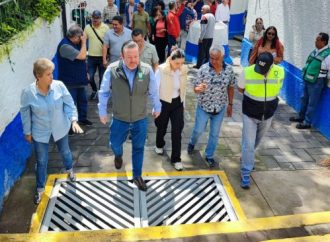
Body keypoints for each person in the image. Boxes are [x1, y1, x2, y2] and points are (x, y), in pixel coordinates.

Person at [98, 41, 161, 191]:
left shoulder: (146, 70)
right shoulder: (112, 70)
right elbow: (104, 92)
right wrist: (102, 111)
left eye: (136, 57)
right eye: (129, 57)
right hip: (120, 118)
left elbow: (153, 91)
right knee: (115, 144)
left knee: (138, 148)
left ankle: (137, 175)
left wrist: (157, 106)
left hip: (140, 118)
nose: (133, 60)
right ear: (122, 56)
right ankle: (118, 155)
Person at [20, 58, 84, 204]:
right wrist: (27, 131)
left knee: (65, 152)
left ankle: (70, 171)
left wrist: (73, 120)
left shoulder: (59, 86)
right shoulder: (28, 93)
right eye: (48, 74)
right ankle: (40, 189)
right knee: (41, 161)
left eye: (52, 73)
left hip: (60, 127)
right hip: (40, 131)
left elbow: (69, 104)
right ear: (38, 76)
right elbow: (25, 112)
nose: (52, 76)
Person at [238, 52, 285, 189]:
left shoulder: (280, 72)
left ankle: (247, 157)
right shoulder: (247, 72)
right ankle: (246, 172)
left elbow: (278, 89)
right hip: (250, 114)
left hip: (268, 114)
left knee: (255, 143)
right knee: (248, 143)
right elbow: (240, 89)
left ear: (271, 66)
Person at [187, 46, 236, 168]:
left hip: (219, 108)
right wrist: (197, 89)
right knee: (198, 130)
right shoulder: (203, 69)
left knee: (214, 134)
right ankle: (192, 143)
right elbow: (195, 88)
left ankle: (209, 156)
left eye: (216, 58)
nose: (213, 61)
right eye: (211, 58)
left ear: (223, 57)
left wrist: (230, 104)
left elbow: (231, 86)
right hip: (204, 107)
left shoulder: (229, 70)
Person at [154, 49, 187, 171]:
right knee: (161, 126)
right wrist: (155, 107)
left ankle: (176, 159)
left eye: (182, 63)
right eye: (177, 63)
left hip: (177, 103)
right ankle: (159, 144)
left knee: (177, 131)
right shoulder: (162, 70)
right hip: (163, 102)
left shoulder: (183, 70)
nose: (179, 66)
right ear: (171, 60)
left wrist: (183, 105)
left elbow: (183, 89)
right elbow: (155, 89)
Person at [289, 33, 330, 129]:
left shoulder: (328, 55)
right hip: (307, 80)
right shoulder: (316, 51)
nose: (315, 41)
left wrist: (323, 79)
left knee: (312, 103)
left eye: (317, 40)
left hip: (317, 82)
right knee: (304, 99)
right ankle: (300, 117)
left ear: (323, 41)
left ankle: (307, 122)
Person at [57, 25, 92, 126]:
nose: (81, 39)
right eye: (79, 38)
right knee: (70, 104)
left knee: (83, 101)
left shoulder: (76, 43)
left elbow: (83, 61)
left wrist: (85, 72)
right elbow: (82, 56)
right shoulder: (65, 46)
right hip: (69, 81)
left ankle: (82, 118)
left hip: (80, 78)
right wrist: (84, 42)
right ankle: (69, 126)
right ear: (75, 37)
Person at [84, 10, 109, 100]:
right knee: (90, 77)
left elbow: (108, 42)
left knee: (102, 78)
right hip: (91, 56)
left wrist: (106, 57)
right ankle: (94, 90)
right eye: (93, 18)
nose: (95, 20)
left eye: (97, 18)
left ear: (100, 18)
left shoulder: (105, 28)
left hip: (102, 57)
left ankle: (100, 92)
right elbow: (83, 41)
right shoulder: (87, 27)